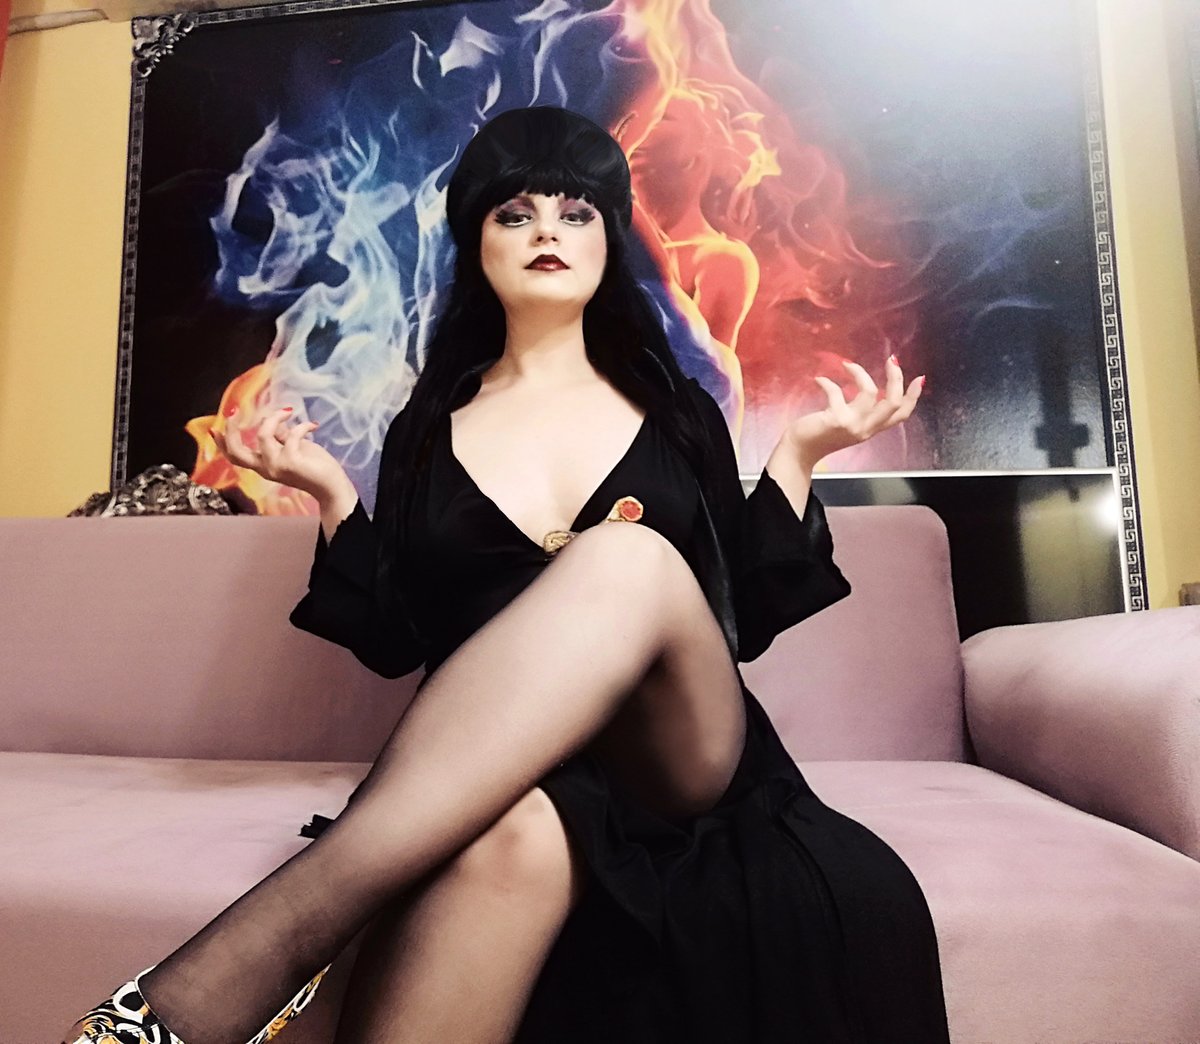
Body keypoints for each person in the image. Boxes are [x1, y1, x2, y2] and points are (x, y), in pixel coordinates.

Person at [64, 105, 946, 1044]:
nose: (546, 233)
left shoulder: (677, 409)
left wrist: (798, 459)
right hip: (509, 773)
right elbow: (400, 638)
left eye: (576, 213)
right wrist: (329, 494)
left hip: (679, 753)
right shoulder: (428, 428)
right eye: (515, 214)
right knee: (515, 832)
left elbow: (741, 621)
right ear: (477, 245)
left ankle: (265, 950)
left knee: (627, 551)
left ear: (608, 242)